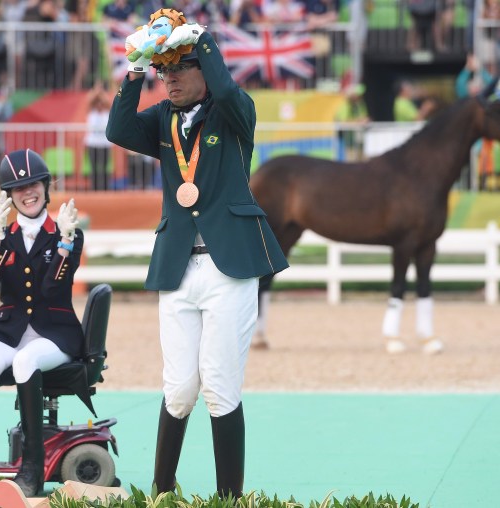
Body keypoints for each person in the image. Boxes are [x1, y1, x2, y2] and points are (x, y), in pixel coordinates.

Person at [105, 9, 288, 498]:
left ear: (204, 69)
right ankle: (162, 493)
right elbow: (118, 130)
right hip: (179, 266)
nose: (170, 79)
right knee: (179, 387)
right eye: (164, 72)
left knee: (220, 386)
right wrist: (136, 68)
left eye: (179, 68)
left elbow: (226, 91)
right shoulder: (163, 117)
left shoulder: (234, 110)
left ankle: (229, 498)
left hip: (228, 266)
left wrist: (201, 40)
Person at [0, 148, 84, 497]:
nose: (27, 192)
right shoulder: (1, 235)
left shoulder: (67, 232)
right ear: (9, 195)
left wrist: (64, 244)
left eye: (33, 183)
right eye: (18, 188)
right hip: (11, 327)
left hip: (54, 332)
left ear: (46, 187)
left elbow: (51, 288)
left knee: (26, 360)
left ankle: (32, 468)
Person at [84, 86, 112, 190]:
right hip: (93, 143)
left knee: (104, 168)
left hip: (104, 144)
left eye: (101, 103)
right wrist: (96, 91)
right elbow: (89, 101)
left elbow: (108, 103)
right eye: (97, 103)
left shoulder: (107, 113)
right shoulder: (91, 113)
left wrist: (102, 94)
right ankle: (94, 188)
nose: (99, 105)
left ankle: (105, 188)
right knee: (94, 168)